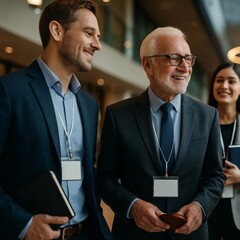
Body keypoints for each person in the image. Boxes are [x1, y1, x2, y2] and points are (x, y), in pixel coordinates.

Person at [96, 26, 225, 239]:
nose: (185, 67)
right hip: (135, 234)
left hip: (190, 234)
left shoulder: (207, 116)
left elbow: (215, 176)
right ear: (148, 64)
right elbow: (105, 178)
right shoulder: (118, 115)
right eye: (174, 58)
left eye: (188, 59)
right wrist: (132, 206)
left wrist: (200, 207)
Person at [0, 0, 112, 239]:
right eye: (89, 33)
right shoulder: (9, 92)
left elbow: (88, 175)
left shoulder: (89, 105)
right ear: (57, 31)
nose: (97, 45)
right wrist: (23, 224)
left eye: (98, 36)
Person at [207, 62, 240, 240]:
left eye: (231, 81)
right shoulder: (201, 125)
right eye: (219, 80)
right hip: (207, 211)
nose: (224, 86)